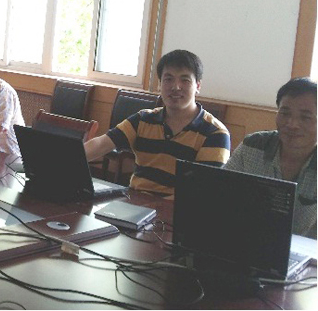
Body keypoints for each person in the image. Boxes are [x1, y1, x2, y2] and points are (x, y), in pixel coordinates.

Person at [84, 49, 230, 196]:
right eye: (168, 79)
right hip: (134, 201)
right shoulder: (143, 119)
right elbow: (101, 144)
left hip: (178, 207)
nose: (176, 87)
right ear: (160, 84)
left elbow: (202, 191)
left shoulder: (215, 133)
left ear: (198, 86)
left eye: (185, 80)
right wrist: (72, 160)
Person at [225, 77, 316, 238]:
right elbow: (221, 192)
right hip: (246, 238)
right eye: (285, 113)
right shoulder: (253, 146)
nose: (292, 124)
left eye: (305, 117)